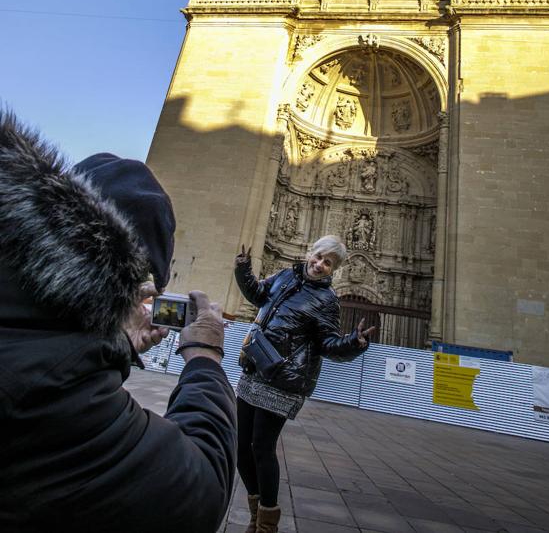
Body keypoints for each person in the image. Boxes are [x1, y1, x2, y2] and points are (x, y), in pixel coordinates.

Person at [0, 112, 236, 533]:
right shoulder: (61, 395)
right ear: (135, 286)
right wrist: (205, 357)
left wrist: (113, 341)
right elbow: (200, 491)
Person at [234, 236, 373, 533]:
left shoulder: (327, 301)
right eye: (319, 256)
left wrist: (354, 342)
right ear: (311, 251)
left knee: (262, 448)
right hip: (255, 366)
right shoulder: (286, 275)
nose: (320, 265)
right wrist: (243, 270)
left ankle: (266, 525)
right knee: (239, 447)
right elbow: (259, 295)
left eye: (328, 263)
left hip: (285, 380)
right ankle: (256, 515)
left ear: (334, 269)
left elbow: (328, 343)